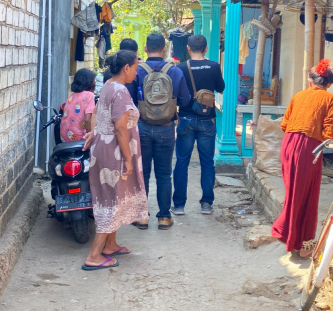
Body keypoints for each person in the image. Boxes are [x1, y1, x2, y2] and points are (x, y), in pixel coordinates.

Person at [82, 50, 148, 270]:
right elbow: (120, 127)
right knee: (110, 201)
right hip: (114, 152)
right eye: (136, 68)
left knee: (113, 196)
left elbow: (102, 119)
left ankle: (110, 245)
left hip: (104, 147)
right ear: (127, 68)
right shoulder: (120, 91)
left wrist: (95, 133)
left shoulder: (108, 85)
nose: (136, 73)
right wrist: (128, 160)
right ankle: (94, 255)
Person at [271, 59, 333, 259]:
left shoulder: (299, 96)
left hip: (288, 145)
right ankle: (301, 242)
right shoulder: (332, 100)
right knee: (307, 195)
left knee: (293, 193)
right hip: (309, 148)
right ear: (328, 84)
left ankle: (290, 235)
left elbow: (285, 124)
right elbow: (329, 134)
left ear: (311, 81)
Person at [130, 33, 191, 230]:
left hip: (143, 127)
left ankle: (142, 216)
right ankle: (164, 217)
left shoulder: (137, 71)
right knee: (164, 174)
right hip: (166, 128)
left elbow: (129, 101)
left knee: (143, 173)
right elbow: (185, 100)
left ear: (145, 49)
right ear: (164, 49)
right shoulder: (175, 72)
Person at [173, 35, 225, 216]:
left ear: (188, 48)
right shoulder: (214, 66)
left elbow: (176, 93)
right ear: (206, 48)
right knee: (207, 162)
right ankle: (206, 204)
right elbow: (221, 88)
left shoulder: (180, 68)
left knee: (181, 162)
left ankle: (179, 205)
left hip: (186, 118)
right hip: (207, 120)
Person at [60, 69, 97, 142]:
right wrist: (90, 136)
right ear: (90, 83)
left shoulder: (71, 96)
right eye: (94, 82)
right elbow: (87, 119)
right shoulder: (89, 95)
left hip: (64, 137)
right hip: (79, 137)